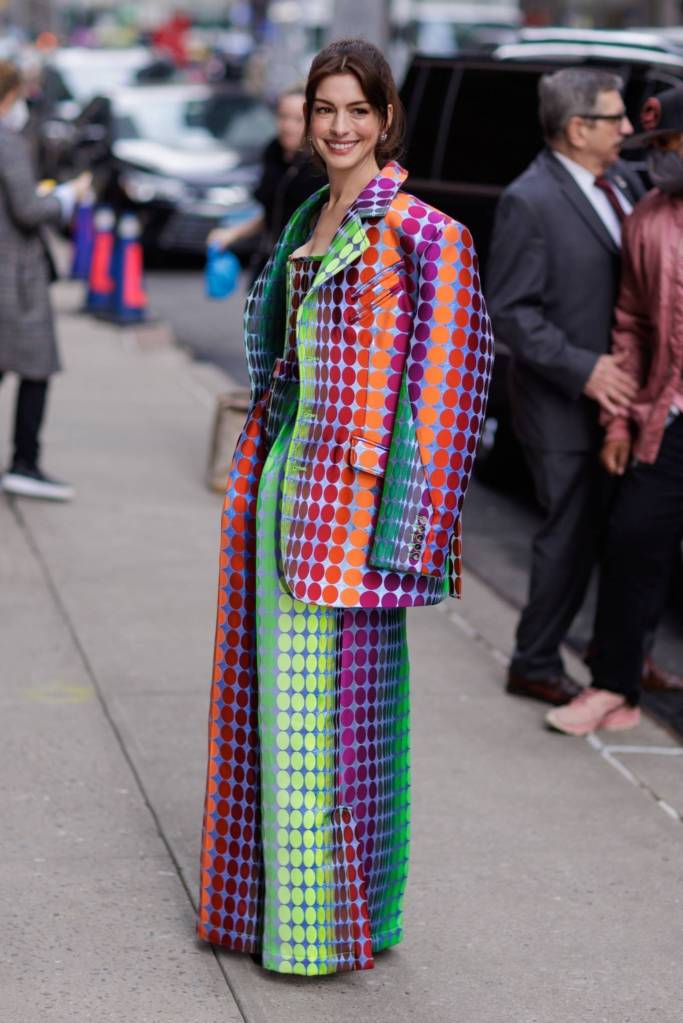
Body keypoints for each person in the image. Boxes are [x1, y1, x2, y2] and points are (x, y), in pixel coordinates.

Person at [197, 38, 493, 975]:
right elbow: (283, 367)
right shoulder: (309, 214)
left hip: (350, 514)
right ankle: (264, 912)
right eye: (324, 108)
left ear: (386, 118)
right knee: (267, 713)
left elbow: (448, 395)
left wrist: (410, 534)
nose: (338, 126)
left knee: (328, 728)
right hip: (277, 489)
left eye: (357, 110)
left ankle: (315, 934)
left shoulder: (424, 232)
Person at [486, 68, 647, 707]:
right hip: (560, 403)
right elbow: (511, 312)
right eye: (616, 117)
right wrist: (586, 368)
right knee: (570, 536)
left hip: (629, 398)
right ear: (578, 129)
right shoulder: (529, 199)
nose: (629, 128)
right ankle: (534, 661)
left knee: (627, 532)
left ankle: (620, 655)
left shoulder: (626, 181)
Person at [546, 86, 683, 735]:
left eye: (670, 143)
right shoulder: (648, 218)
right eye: (654, 145)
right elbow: (630, 325)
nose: (659, 157)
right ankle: (613, 689)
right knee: (632, 540)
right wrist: (621, 422)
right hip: (666, 414)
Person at [0, 60, 91, 501]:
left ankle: (25, 462)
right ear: (12, 94)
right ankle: (25, 463)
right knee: (36, 366)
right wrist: (67, 197)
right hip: (15, 275)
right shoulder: (8, 141)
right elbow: (28, 211)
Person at [207, 84, 325, 282]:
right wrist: (232, 234)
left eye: (298, 119)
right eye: (283, 117)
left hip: (303, 269)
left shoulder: (321, 166)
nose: (288, 126)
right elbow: (271, 212)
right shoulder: (273, 153)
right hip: (268, 263)